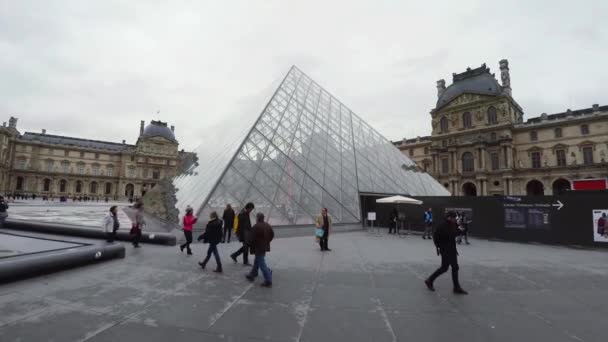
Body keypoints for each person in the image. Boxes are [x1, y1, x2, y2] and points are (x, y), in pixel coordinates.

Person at [424, 211, 468, 295]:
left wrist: (462, 229)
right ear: (449, 217)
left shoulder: (453, 224)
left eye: (456, 217)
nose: (455, 219)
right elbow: (443, 235)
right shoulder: (443, 225)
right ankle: (456, 287)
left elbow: (456, 231)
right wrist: (439, 247)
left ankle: (430, 280)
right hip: (446, 249)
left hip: (451, 249)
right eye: (454, 217)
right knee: (453, 267)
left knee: (445, 267)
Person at [246, 212, 275, 287]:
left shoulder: (256, 227)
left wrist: (248, 244)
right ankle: (253, 274)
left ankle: (268, 280)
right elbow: (272, 235)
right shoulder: (268, 225)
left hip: (258, 247)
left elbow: (251, 238)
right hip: (264, 246)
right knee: (257, 260)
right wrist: (267, 241)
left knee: (262, 263)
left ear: (258, 218)